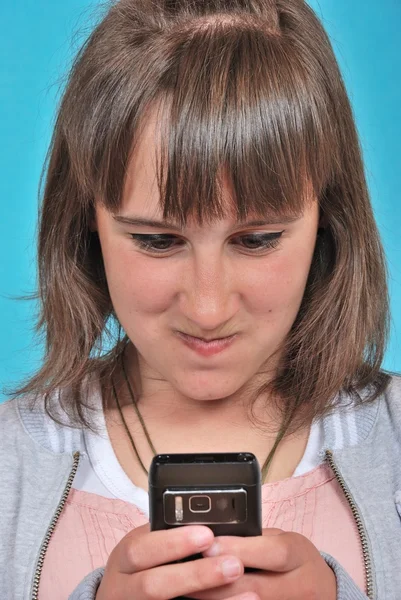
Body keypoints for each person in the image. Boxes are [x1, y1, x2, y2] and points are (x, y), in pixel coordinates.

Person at [1, 0, 400, 598]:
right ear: (85, 220)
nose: (208, 308)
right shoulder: (13, 463)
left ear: (328, 219)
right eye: (157, 241)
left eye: (258, 239)